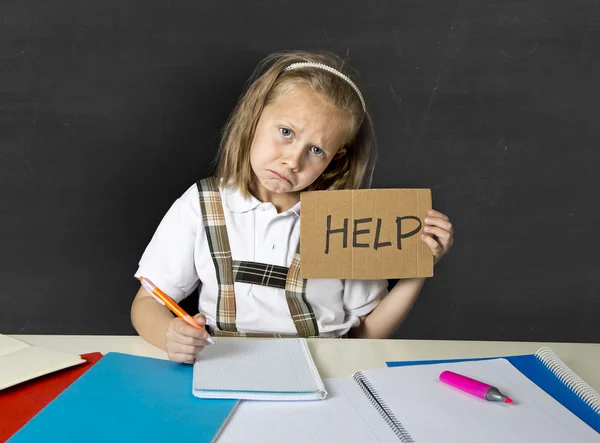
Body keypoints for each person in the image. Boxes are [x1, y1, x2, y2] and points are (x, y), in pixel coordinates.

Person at [131, 50, 454, 363]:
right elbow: (147, 303)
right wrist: (169, 335)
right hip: (224, 366)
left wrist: (416, 269)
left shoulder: (345, 220)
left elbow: (368, 334)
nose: (292, 161)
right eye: (286, 132)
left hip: (327, 374)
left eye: (315, 150)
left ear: (335, 158)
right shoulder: (202, 205)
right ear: (255, 117)